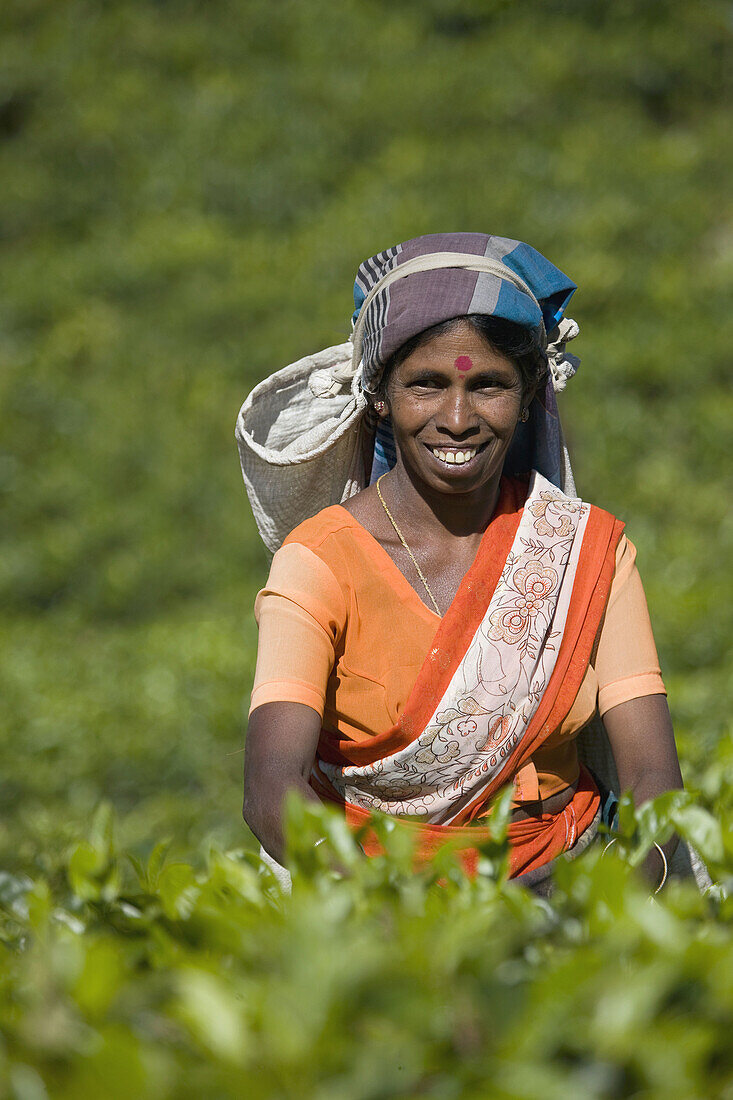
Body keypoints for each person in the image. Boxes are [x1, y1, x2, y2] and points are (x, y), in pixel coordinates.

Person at [240, 233, 684, 892]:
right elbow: (271, 788)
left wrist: (622, 919)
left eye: (488, 386)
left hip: (565, 888)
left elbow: (653, 778)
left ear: (529, 393)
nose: (456, 417)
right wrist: (387, 922)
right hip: (373, 892)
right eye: (426, 384)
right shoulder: (320, 563)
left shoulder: (584, 553)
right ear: (380, 395)